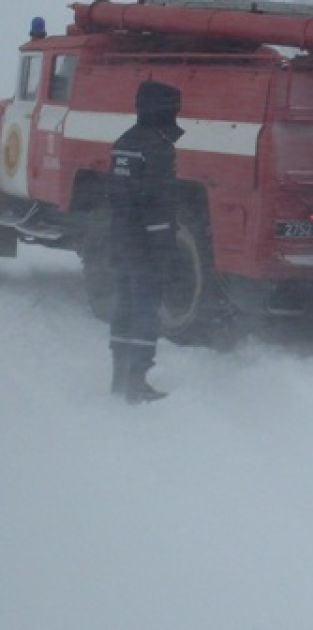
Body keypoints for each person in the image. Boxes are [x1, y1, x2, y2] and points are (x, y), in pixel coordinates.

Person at [107, 80, 185, 403]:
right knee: (146, 309)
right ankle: (137, 382)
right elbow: (156, 203)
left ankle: (119, 376)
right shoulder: (158, 147)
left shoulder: (124, 141)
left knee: (124, 305)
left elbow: (118, 196)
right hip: (146, 245)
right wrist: (165, 249)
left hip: (122, 239)